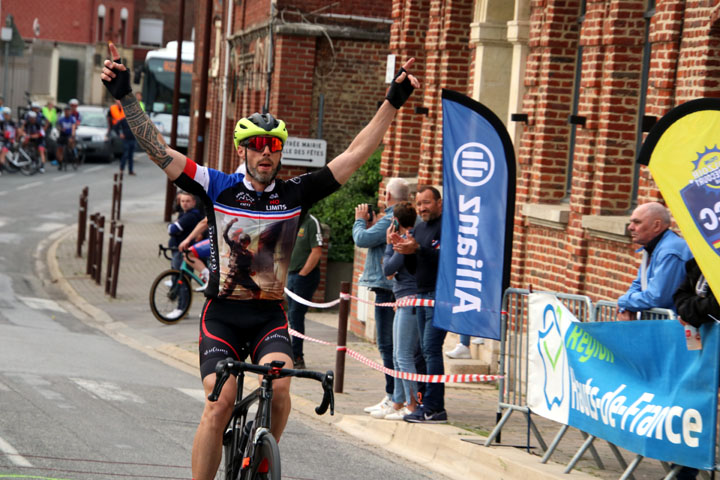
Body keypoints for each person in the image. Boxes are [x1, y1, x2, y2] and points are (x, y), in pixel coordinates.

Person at [101, 41, 419, 480]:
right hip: (223, 316)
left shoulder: (296, 193)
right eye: (256, 145)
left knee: (283, 389)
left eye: (272, 145)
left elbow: (353, 156)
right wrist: (126, 97)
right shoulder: (217, 186)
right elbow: (159, 151)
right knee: (220, 404)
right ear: (243, 151)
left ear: (279, 151)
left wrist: (392, 103)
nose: (266, 152)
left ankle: (260, 460)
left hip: (269, 315)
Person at [353, 177, 411, 414]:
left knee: (388, 346)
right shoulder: (394, 218)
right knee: (391, 346)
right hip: (389, 288)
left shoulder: (390, 218)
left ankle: (393, 397)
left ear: (387, 196)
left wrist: (359, 222)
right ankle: (394, 396)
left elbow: (362, 239)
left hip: (387, 288)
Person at [392, 185, 447, 423]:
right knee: (422, 353)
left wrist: (418, 249)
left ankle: (435, 407)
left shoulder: (447, 227)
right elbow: (416, 267)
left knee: (431, 349)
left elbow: (445, 260)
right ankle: (424, 403)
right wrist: (406, 251)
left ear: (439, 203)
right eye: (419, 204)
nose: (422, 208)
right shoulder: (420, 227)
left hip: (440, 295)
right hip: (421, 293)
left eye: (427, 202)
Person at [374, 201, 421, 420]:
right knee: (397, 354)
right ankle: (398, 401)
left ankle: (411, 405)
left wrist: (387, 245)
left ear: (396, 222)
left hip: (409, 300)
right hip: (402, 299)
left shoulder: (405, 241)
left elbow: (388, 269)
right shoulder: (405, 239)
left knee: (403, 355)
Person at [617, 202, 691, 320]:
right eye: (631, 222)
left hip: (673, 329)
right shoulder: (652, 248)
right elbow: (639, 284)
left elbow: (657, 297)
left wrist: (623, 302)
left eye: (637, 222)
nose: (630, 227)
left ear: (656, 226)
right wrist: (625, 306)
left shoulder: (670, 251)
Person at [286, 213, 324, 369]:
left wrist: (302, 274)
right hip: (291, 274)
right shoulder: (291, 220)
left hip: (305, 276)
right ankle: (291, 353)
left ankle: (297, 356)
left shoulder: (311, 222)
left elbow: (316, 251)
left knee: (296, 314)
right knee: (291, 315)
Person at [115, 101, 137, 175]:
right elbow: (116, 127)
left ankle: (130, 170)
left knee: (131, 156)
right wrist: (119, 134)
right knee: (125, 154)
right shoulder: (123, 120)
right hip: (126, 140)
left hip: (133, 139)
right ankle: (121, 169)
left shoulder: (135, 121)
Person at [55, 106, 77, 170]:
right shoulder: (61, 119)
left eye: (68, 111)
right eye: (66, 111)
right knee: (59, 149)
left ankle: (74, 154)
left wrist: (72, 136)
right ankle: (60, 163)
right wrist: (61, 129)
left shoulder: (72, 119)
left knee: (71, 142)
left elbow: (73, 128)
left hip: (70, 134)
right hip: (62, 135)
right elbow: (58, 126)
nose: (67, 112)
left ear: (70, 112)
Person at [0, 107, 17, 175]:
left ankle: (1, 169)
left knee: (2, 155)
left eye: (6, 114)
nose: (5, 116)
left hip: (10, 141)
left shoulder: (12, 122)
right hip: (4, 140)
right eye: (4, 114)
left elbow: (17, 131)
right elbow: (2, 131)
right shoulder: (2, 122)